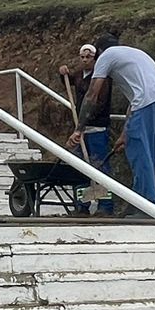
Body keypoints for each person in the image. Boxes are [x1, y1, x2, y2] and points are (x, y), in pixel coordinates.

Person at [70, 33, 155, 211]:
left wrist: (79, 129)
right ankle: (138, 203)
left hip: (146, 103)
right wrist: (125, 134)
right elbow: (134, 100)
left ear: (99, 52)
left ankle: (147, 206)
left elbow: (92, 95)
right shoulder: (135, 53)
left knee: (140, 154)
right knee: (149, 155)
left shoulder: (106, 56)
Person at [60, 43, 114, 215]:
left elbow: (99, 103)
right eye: (82, 57)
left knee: (100, 167)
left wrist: (85, 122)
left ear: (95, 58)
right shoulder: (79, 76)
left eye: (88, 57)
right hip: (81, 130)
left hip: (97, 128)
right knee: (80, 168)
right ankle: (82, 205)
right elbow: (68, 80)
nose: (85, 60)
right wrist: (63, 74)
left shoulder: (102, 77)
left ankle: (105, 206)